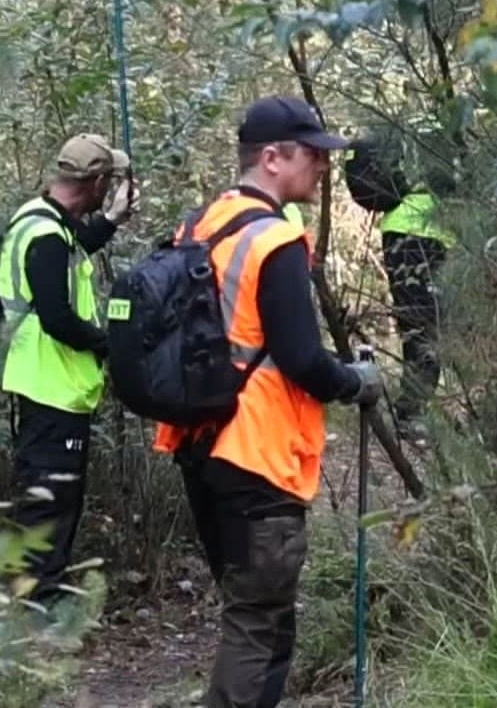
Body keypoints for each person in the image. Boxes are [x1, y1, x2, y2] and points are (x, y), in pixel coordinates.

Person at [152, 95, 383, 708]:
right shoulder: (276, 239)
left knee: (255, 614)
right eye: (312, 154)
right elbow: (303, 359)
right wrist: (357, 382)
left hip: (199, 442)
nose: (323, 167)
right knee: (258, 623)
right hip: (258, 452)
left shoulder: (198, 225)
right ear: (274, 158)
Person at [0, 132, 137, 606]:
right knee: (50, 499)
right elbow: (57, 318)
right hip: (49, 382)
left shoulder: (44, 219)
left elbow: (80, 244)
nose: (109, 191)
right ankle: (38, 605)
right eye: (108, 184)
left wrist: (113, 220)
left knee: (50, 495)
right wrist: (113, 344)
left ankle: (36, 595)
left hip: (48, 381)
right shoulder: (46, 236)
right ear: (94, 181)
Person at [377, 171, 455, 438]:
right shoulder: (439, 135)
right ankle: (411, 413)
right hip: (424, 232)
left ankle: (412, 409)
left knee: (418, 323)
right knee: (427, 327)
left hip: (400, 229)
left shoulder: (409, 138)